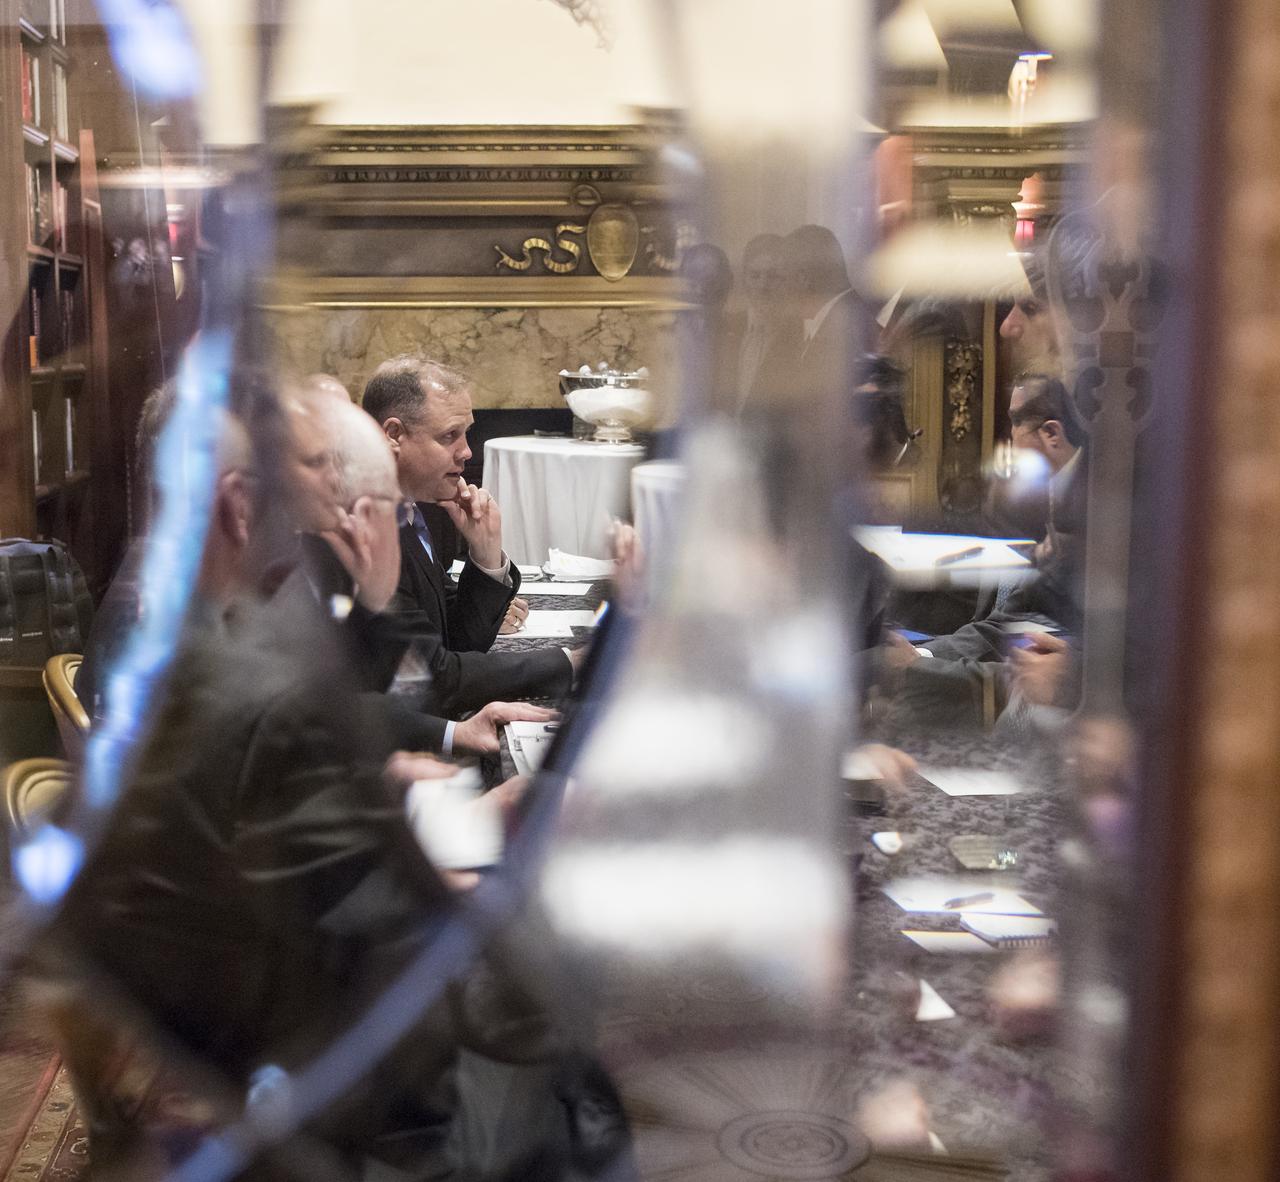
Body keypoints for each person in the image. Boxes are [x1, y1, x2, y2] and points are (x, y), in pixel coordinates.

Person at [47, 393, 579, 1179]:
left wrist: (386, 790)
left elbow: (253, 800)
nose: (321, 510)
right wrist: (469, 839)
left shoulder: (177, 603)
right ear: (239, 504)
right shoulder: (198, 655)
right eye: (299, 480)